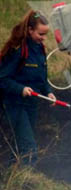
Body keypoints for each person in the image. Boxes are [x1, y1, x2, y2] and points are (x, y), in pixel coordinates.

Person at [0, 10, 56, 165]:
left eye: (46, 35)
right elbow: (2, 78)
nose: (43, 38)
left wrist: (48, 92)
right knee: (29, 148)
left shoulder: (40, 49)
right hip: (14, 105)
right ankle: (27, 183)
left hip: (32, 105)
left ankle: (13, 174)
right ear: (30, 30)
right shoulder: (17, 50)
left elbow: (42, 77)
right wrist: (21, 89)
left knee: (19, 144)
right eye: (40, 34)